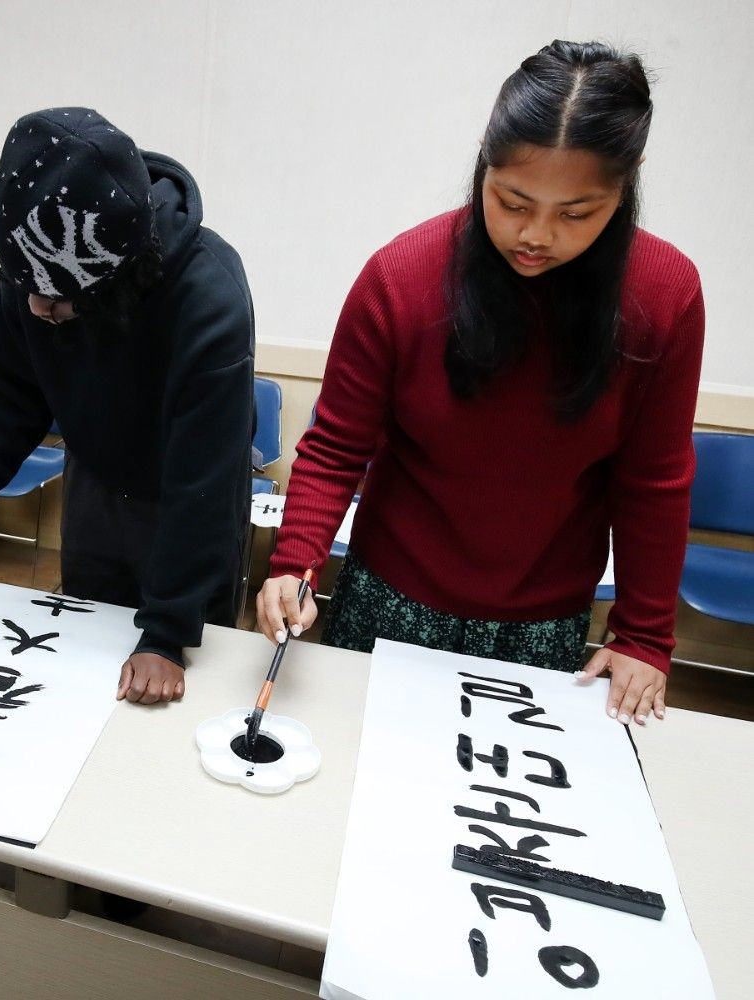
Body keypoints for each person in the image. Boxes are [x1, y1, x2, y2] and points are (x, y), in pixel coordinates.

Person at [256, 41, 701, 729]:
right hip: (390, 593)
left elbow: (653, 480)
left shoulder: (664, 296)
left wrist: (645, 635)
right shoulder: (402, 278)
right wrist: (295, 563)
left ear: (627, 182)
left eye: (576, 212)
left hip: (543, 619)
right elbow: (337, 445)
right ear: (483, 163)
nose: (536, 234)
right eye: (512, 201)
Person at [0, 108, 255, 705]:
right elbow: (13, 401)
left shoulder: (207, 293)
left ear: (113, 279)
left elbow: (205, 479)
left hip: (189, 503)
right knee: (82, 661)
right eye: (25, 289)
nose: (37, 310)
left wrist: (166, 634)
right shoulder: (30, 268)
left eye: (59, 305)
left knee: (178, 682)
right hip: (94, 485)